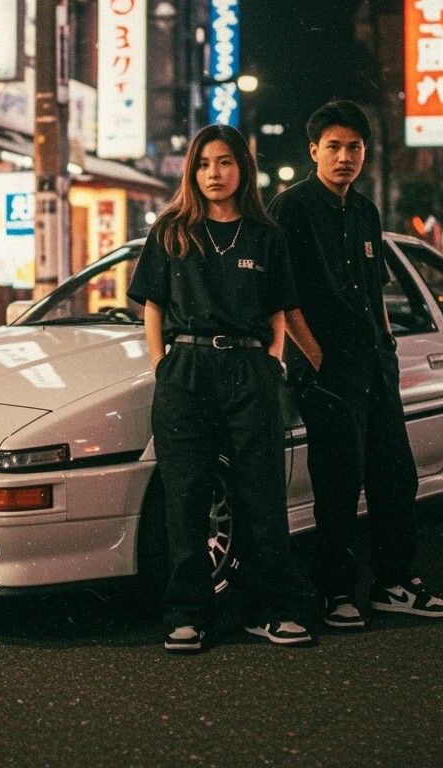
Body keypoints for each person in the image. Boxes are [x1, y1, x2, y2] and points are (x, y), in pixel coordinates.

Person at [268, 100, 443, 630]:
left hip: (375, 365)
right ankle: (335, 593)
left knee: (395, 477)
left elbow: (375, 290)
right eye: (334, 146)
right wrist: (318, 359)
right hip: (328, 371)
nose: (345, 157)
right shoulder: (292, 208)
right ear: (314, 151)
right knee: (337, 483)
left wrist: (387, 343)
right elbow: (283, 297)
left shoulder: (367, 211)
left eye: (354, 147)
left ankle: (393, 583)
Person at [127, 124, 312, 653]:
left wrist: (274, 360)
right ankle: (188, 615)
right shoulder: (170, 229)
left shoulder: (265, 233)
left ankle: (269, 610)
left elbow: (278, 308)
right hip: (185, 372)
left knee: (261, 495)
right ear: (193, 170)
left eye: (226, 162)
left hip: (249, 373)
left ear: (242, 170)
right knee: (186, 497)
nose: (215, 172)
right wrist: (162, 363)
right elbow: (154, 306)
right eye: (205, 163)